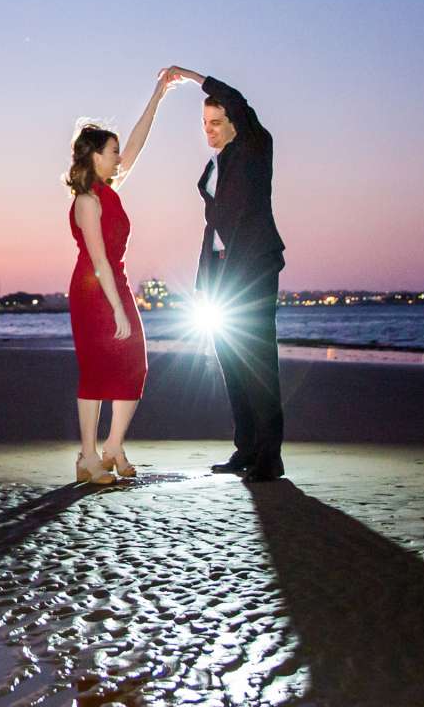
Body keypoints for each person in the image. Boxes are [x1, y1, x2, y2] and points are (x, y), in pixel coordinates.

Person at [162, 65, 286, 481]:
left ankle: (270, 457)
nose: (209, 131)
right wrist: (203, 282)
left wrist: (192, 77)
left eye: (216, 123)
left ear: (235, 123)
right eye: (204, 124)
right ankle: (246, 449)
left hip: (253, 269)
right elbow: (212, 230)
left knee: (257, 362)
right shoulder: (216, 166)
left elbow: (238, 101)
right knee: (231, 363)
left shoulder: (255, 147)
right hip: (219, 275)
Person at [63, 73, 179, 483]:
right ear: (95, 157)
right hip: (95, 290)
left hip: (118, 285)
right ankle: (87, 458)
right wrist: (117, 309)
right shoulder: (87, 201)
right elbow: (98, 261)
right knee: (96, 370)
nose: (119, 157)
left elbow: (136, 144)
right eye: (112, 152)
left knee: (134, 365)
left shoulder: (110, 189)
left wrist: (157, 96)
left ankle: (113, 446)